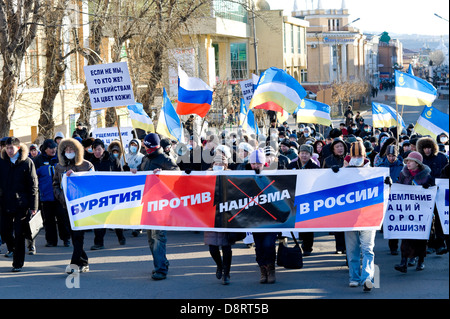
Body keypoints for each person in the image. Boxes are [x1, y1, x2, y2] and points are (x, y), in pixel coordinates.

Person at [137, 133, 179, 280]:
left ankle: (160, 269)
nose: (147, 150)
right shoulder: (144, 159)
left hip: (161, 205)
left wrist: (164, 175)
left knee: (158, 237)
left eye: (149, 147)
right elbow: (141, 174)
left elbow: (178, 177)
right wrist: (134, 172)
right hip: (147, 204)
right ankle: (162, 262)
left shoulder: (166, 160)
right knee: (151, 238)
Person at [53, 138, 94, 274]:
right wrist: (62, 198)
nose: (69, 152)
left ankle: (74, 264)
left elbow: (92, 184)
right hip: (66, 206)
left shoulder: (86, 165)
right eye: (66, 150)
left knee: (78, 235)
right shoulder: (59, 167)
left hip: (81, 207)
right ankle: (84, 261)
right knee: (73, 235)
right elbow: (55, 185)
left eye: (71, 150)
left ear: (77, 151)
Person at [341, 141, 376, 292]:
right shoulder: (344, 171)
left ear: (364, 155)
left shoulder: (373, 171)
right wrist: (336, 173)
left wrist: (386, 183)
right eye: (354, 155)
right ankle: (354, 278)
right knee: (352, 249)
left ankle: (367, 277)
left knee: (368, 249)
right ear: (350, 156)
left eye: (359, 155)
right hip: (349, 217)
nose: (357, 158)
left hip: (368, 216)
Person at [0, 137, 39, 272]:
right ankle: (14, 248)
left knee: (19, 234)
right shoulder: (2, 162)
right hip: (4, 202)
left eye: (12, 148)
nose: (9, 150)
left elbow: (33, 186)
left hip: (21, 204)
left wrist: (34, 206)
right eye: (7, 147)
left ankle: (17, 263)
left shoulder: (27, 162)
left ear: (18, 148)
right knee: (4, 231)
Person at [394, 151, 434, 273]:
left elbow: (432, 191)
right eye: (407, 161)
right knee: (405, 235)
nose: (408, 163)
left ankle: (420, 260)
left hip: (422, 211)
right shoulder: (403, 174)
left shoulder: (427, 176)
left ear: (417, 163)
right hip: (407, 210)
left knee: (420, 238)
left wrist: (428, 187)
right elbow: (399, 187)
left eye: (411, 161)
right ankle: (403, 262)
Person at [246, 149, 278, 284]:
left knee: (268, 244)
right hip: (256, 219)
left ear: (264, 163)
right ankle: (262, 269)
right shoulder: (245, 175)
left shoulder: (273, 175)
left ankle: (271, 268)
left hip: (271, 218)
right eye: (253, 163)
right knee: (259, 246)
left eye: (258, 163)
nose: (256, 166)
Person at [204, 154, 236, 285]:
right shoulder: (204, 176)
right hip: (210, 216)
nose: (219, 166)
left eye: (221, 164)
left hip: (226, 216)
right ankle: (220, 265)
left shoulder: (232, 176)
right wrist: (189, 175)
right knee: (212, 248)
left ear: (226, 165)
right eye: (216, 164)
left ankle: (227, 273)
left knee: (226, 247)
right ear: (212, 165)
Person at [33, 139, 71, 248]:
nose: (53, 150)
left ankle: (66, 239)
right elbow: (34, 177)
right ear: (45, 149)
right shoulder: (38, 160)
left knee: (62, 219)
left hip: (59, 195)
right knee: (48, 221)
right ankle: (51, 240)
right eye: (50, 148)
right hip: (46, 196)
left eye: (55, 147)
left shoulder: (61, 158)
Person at [89, 139, 126, 249]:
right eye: (95, 150)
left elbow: (121, 175)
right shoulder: (90, 162)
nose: (97, 152)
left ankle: (120, 236)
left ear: (103, 149)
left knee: (115, 217)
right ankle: (99, 243)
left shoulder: (112, 160)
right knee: (99, 219)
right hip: (97, 195)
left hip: (112, 193)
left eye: (99, 149)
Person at [287, 144, 319, 256]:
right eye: (302, 153)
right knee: (297, 221)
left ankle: (307, 247)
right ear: (298, 154)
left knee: (308, 223)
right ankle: (297, 242)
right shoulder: (291, 165)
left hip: (309, 198)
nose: (304, 155)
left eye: (306, 153)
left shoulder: (315, 167)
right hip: (294, 197)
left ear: (310, 155)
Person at [323, 138, 348, 254]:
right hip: (334, 195)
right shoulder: (327, 160)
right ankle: (340, 247)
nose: (340, 148)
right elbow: (322, 176)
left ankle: (349, 247)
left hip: (349, 194)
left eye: (341, 146)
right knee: (338, 223)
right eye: (337, 147)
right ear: (333, 149)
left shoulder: (350, 159)